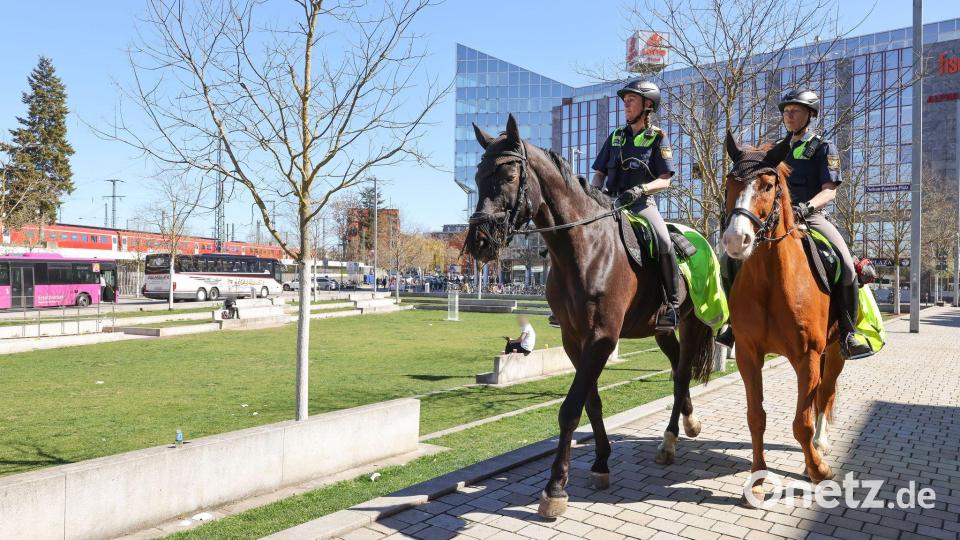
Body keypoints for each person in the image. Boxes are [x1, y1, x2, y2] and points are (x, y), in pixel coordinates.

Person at [716, 89, 873, 360]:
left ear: (810, 115)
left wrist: (807, 207)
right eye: (786, 111)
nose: (789, 115)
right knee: (728, 260)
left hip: (811, 217)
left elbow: (830, 190)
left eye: (795, 110)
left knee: (845, 264)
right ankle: (733, 323)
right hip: (773, 220)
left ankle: (848, 332)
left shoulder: (823, 147)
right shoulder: (774, 150)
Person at [592, 79, 679, 331]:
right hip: (610, 202)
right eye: (625, 101)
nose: (626, 106)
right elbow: (599, 173)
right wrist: (594, 191)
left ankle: (671, 304)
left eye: (631, 101)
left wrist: (641, 189)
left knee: (663, 240)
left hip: (641, 203)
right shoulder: (616, 137)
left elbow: (665, 180)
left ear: (647, 105)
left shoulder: (658, 138)